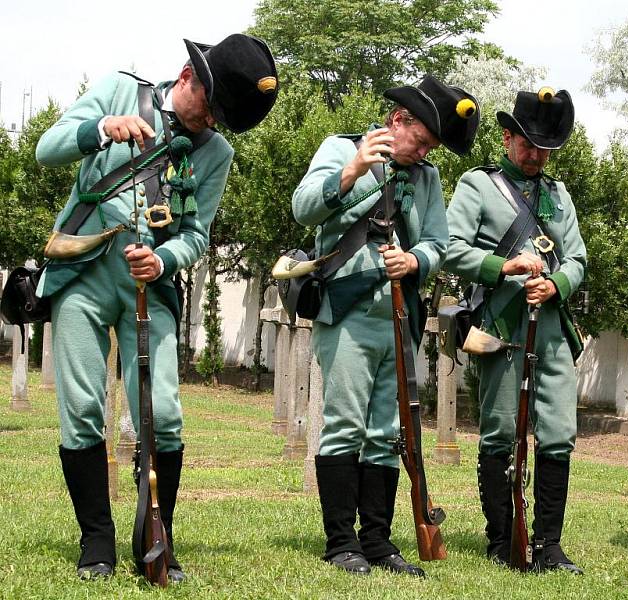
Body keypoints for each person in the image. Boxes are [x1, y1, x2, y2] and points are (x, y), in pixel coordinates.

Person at [34, 33, 278, 581]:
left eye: (221, 119)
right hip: (83, 275)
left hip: (151, 289)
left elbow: (197, 234)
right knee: (81, 409)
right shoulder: (121, 91)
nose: (210, 124)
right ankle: (96, 541)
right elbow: (45, 150)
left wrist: (164, 260)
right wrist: (99, 130)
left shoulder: (217, 152)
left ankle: (155, 535)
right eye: (210, 109)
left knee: (163, 415)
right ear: (187, 76)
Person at [291, 74, 479, 577]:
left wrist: (414, 261)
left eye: (430, 147)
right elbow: (303, 208)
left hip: (399, 316)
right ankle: (340, 542)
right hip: (348, 312)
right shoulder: (341, 149)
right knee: (345, 426)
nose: (422, 153)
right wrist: (354, 171)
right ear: (398, 121)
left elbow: (439, 242)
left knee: (384, 432)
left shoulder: (427, 177)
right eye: (420, 141)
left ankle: (376, 540)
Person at [444, 88, 586, 574]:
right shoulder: (477, 185)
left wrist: (557, 283)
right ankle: (503, 537)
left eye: (546, 147)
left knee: (559, 434)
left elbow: (578, 259)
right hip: (501, 328)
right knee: (500, 433)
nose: (536, 155)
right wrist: (505, 267)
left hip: (550, 333)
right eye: (528, 144)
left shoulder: (558, 194)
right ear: (507, 136)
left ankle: (549, 543)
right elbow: (449, 248)